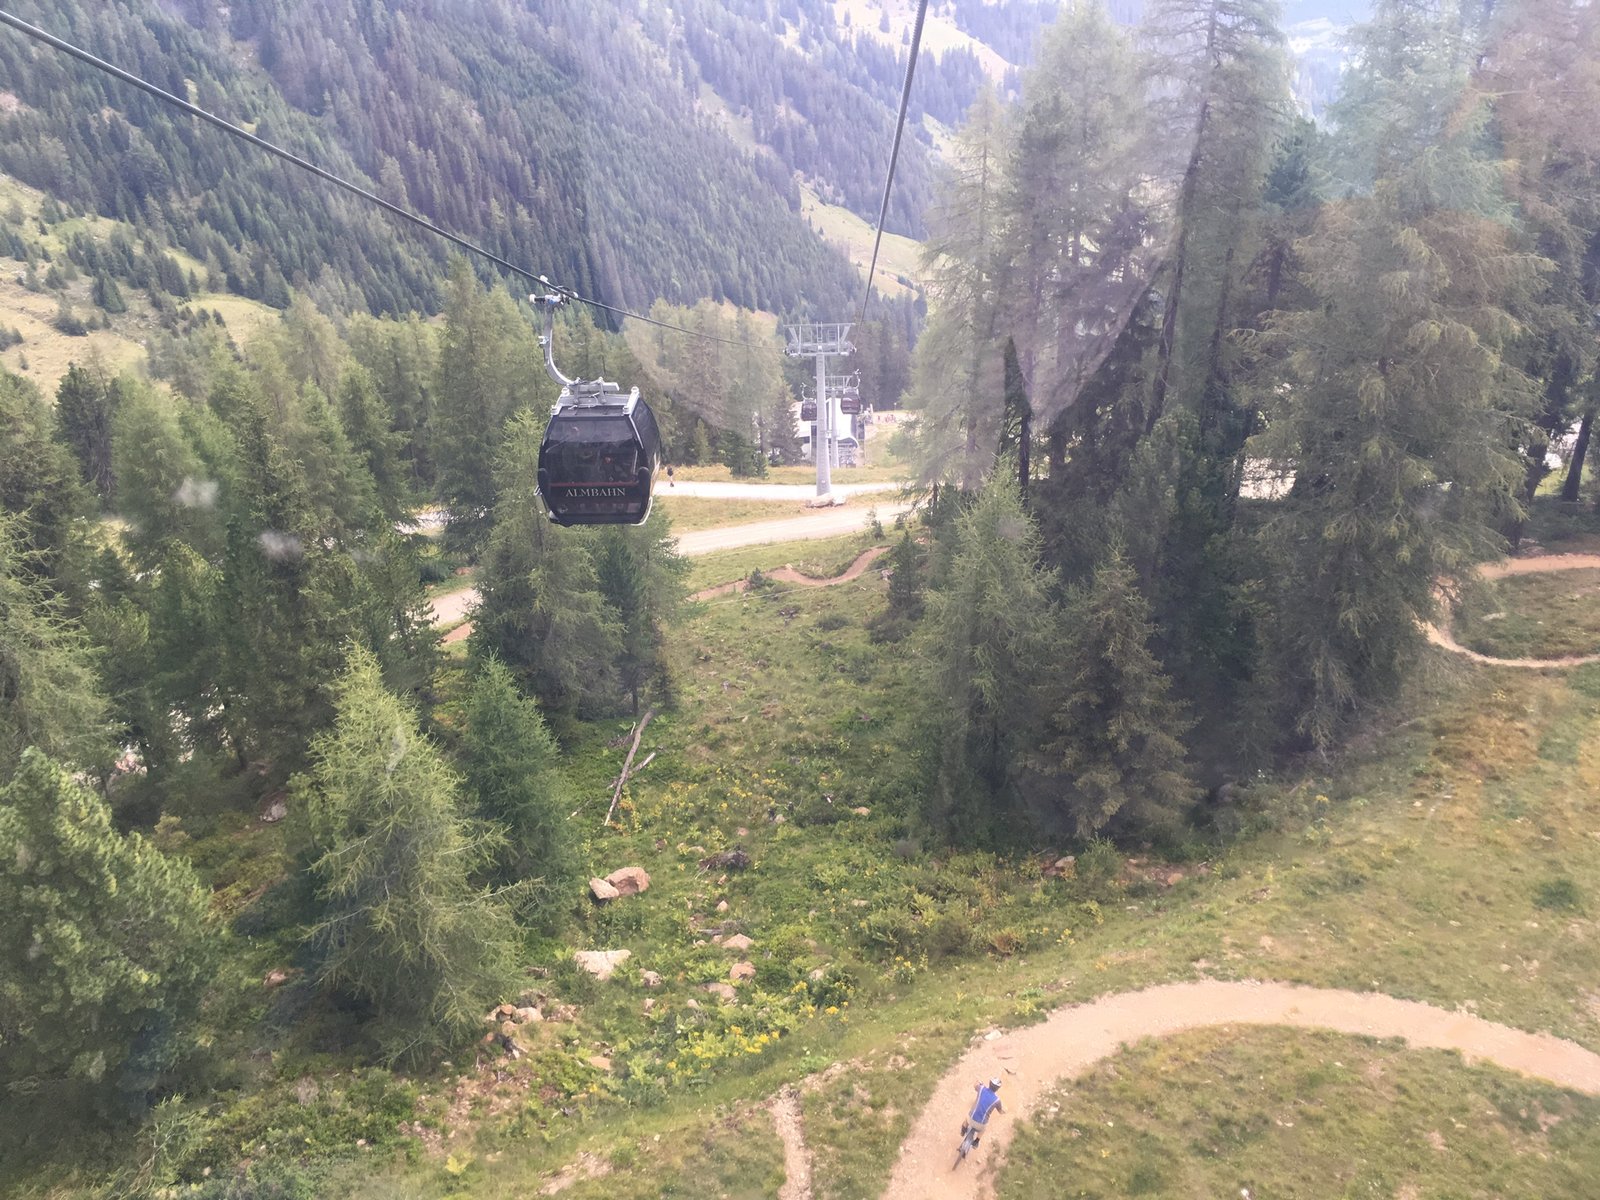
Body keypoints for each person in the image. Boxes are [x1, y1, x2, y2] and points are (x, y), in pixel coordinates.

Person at [962, 1077, 1005, 1147]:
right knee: (983, 1130)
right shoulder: (997, 1100)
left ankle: (963, 1130)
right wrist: (1004, 1112)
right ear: (997, 1089)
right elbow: (1000, 1111)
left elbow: (975, 1086)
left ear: (989, 1083)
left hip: (971, 1119)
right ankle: (976, 1142)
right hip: (981, 1125)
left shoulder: (981, 1088)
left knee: (966, 1119)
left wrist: (978, 1082)